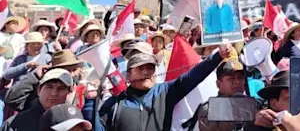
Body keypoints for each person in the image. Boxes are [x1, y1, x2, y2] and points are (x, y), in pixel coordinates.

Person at [81, 41, 234, 130]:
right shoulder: (113, 104)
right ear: (128, 75)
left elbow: (193, 76)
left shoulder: (165, 92)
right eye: (140, 68)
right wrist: (89, 103)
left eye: (150, 68)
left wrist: (217, 57)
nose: (146, 72)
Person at [4, 50, 84, 112]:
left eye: (74, 70)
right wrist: (34, 77)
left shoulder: (80, 87)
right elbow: (12, 100)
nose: (72, 74)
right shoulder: (42, 87)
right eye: (67, 70)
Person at [1, 68, 74, 131]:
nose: (54, 93)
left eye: (61, 88)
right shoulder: (16, 122)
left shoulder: (75, 124)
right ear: (39, 90)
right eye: (49, 87)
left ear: (70, 93)